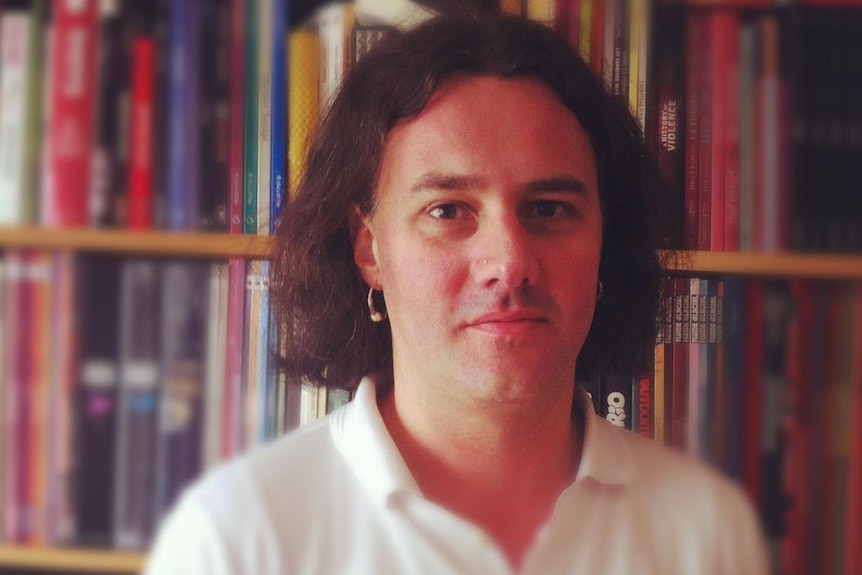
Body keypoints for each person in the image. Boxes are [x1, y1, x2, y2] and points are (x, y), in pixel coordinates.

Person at [146, 10, 768, 575]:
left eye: (549, 208)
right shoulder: (234, 539)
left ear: (608, 239)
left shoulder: (705, 533)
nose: (510, 262)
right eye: (448, 211)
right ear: (370, 252)